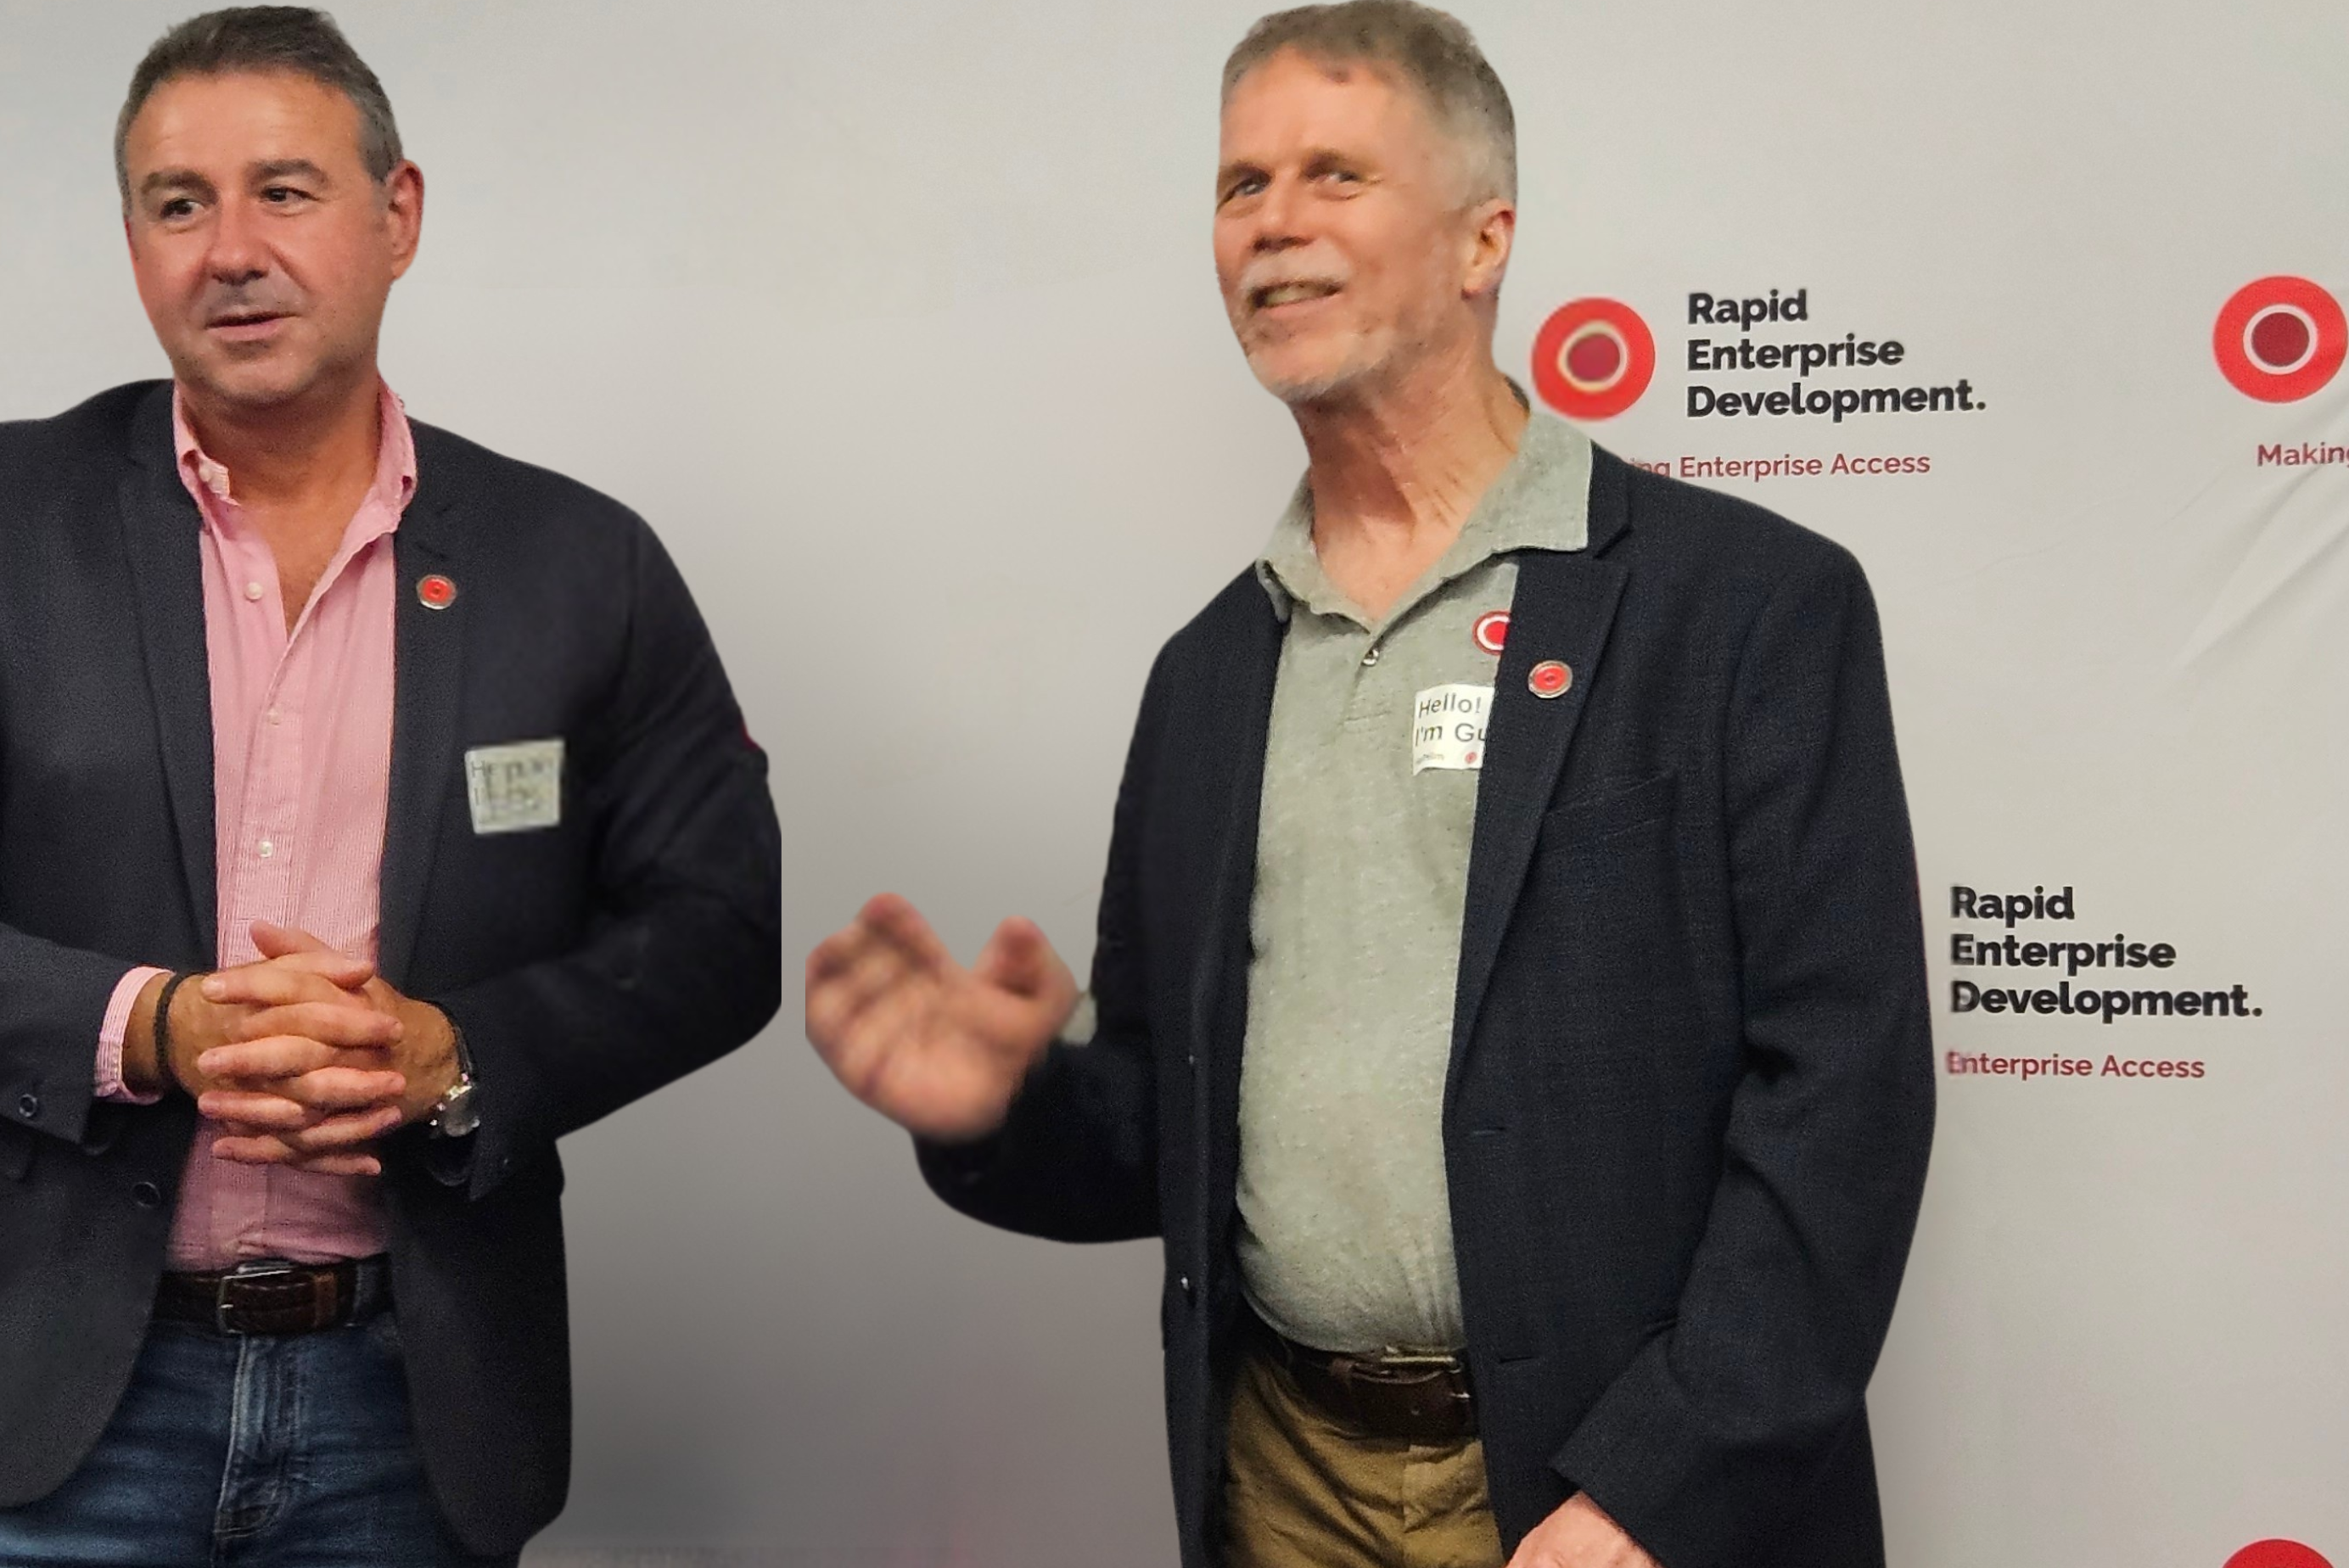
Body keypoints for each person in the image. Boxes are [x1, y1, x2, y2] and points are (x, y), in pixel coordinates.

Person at [804, 4, 1932, 1565]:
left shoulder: (1745, 611)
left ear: (1484, 238)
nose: (1272, 224)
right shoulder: (1211, 673)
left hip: (1609, 1505)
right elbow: (1165, 1123)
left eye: (1334, 174)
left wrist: (1652, 1486)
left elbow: (1845, 1100)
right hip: (1284, 1482)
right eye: (1239, 184)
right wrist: (1002, 1108)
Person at [0, 8, 780, 1563]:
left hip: (411, 1403)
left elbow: (717, 932)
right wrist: (155, 1028)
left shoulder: (583, 562)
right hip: (45, 1412)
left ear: (400, 217)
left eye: (286, 191)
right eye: (179, 203)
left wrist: (456, 1057)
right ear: (133, 245)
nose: (230, 249)